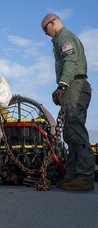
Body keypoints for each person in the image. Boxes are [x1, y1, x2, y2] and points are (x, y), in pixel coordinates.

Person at [41, 13, 95, 190]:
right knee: (70, 133)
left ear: (53, 22)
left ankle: (85, 177)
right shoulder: (59, 40)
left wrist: (63, 85)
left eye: (45, 29)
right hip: (72, 86)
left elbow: (70, 60)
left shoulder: (64, 37)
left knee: (76, 129)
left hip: (75, 85)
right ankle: (72, 175)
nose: (46, 33)